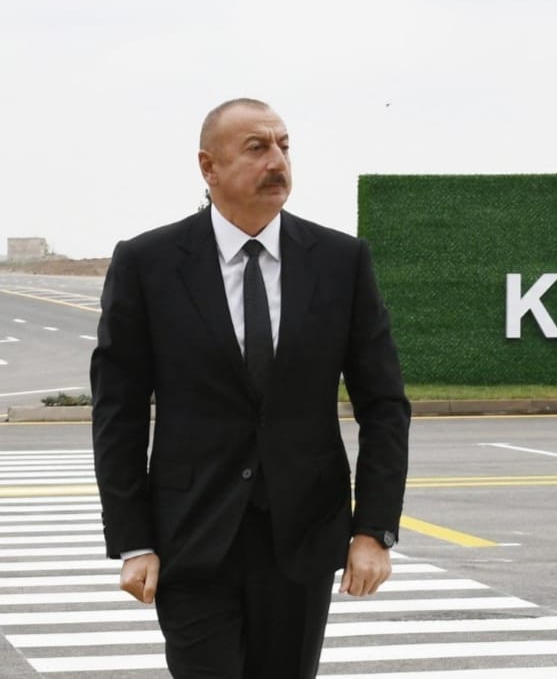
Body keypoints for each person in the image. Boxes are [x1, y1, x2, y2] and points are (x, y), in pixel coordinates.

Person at [90, 97, 410, 678]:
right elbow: (120, 412)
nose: (277, 162)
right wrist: (134, 541)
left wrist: (374, 530)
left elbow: (385, 405)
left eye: (284, 146)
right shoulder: (148, 263)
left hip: (303, 538)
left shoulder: (340, 261)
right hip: (192, 537)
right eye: (257, 148)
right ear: (208, 167)